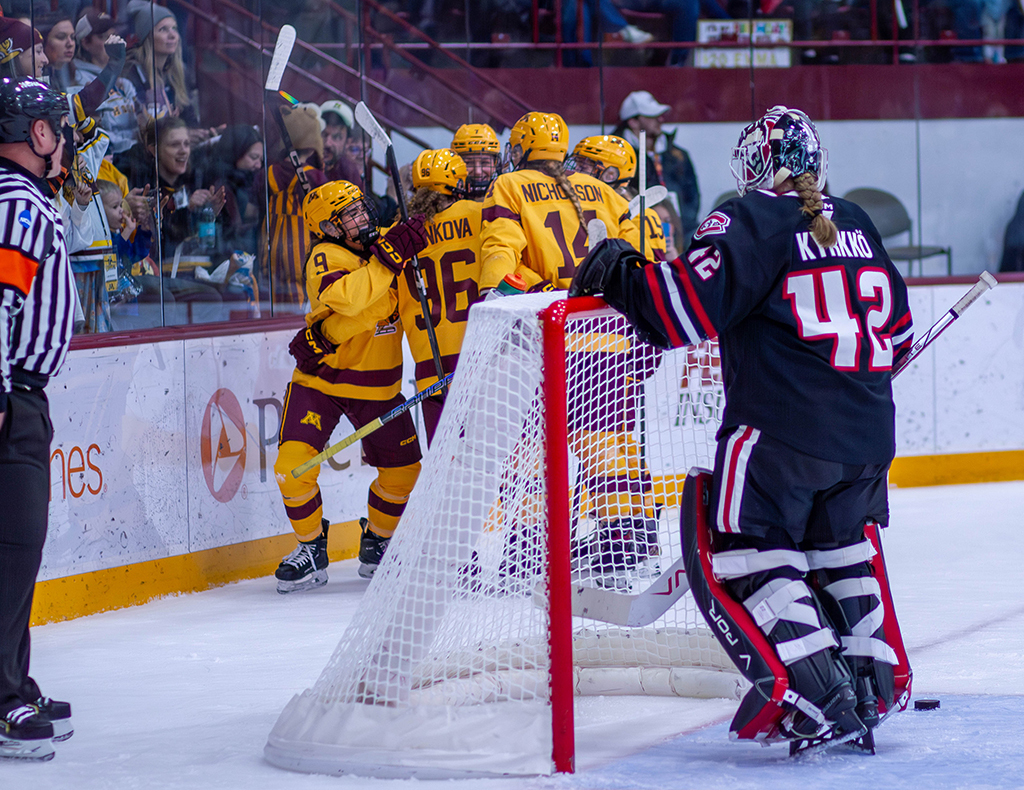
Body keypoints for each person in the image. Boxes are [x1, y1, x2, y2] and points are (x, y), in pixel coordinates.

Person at [571, 106, 915, 751]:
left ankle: (821, 696)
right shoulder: (859, 222)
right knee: (839, 548)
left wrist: (618, 271)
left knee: (748, 551)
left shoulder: (750, 216)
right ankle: (870, 685)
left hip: (778, 431)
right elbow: (897, 338)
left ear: (758, 164)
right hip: (868, 435)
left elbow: (680, 310)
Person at [273, 181, 427, 590]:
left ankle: (377, 540)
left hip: (378, 384)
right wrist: (388, 263)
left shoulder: (381, 251)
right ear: (330, 226)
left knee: (404, 474)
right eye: (350, 215)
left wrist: (328, 331)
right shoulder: (327, 255)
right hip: (321, 381)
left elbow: (379, 308)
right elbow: (357, 302)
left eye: (362, 209)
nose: (363, 219)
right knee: (291, 469)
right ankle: (310, 547)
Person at [0, 76, 76, 761]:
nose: (66, 137)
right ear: (40, 135)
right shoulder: (20, 201)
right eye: (58, 125)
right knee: (11, 552)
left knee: (15, 553)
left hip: (19, 393)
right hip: (11, 398)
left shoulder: (19, 197)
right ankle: (2, 701)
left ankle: (11, 681)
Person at [479, 110, 641, 293]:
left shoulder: (509, 184)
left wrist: (492, 288)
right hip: (600, 309)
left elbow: (502, 247)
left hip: (547, 307)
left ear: (520, 149)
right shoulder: (603, 189)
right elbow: (632, 253)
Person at [398, 148, 483, 443]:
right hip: (482, 358)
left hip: (431, 370)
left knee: (448, 469)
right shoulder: (481, 215)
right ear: (460, 185)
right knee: (498, 463)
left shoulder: (399, 234)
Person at [259, 103, 328, 308]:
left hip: (270, 244)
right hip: (302, 246)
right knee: (302, 289)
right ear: (313, 143)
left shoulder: (267, 173)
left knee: (272, 287)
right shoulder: (315, 177)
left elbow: (253, 209)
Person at [613, 90, 700, 247]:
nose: (660, 119)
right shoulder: (617, 157)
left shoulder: (678, 154)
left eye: (659, 115)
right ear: (633, 122)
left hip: (682, 228)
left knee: (699, 241)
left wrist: (682, 223)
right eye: (651, 116)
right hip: (640, 228)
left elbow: (692, 195)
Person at [70, 9, 140, 158]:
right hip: (109, 155)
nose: (111, 42)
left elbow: (138, 124)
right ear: (85, 43)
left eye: (113, 36)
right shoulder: (79, 79)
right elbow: (97, 130)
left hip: (132, 152)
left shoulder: (124, 82)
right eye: (103, 37)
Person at [450, 123, 502, 201]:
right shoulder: (443, 203)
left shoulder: (508, 200)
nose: (478, 172)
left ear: (495, 163)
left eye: (484, 163)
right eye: (469, 163)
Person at [319, 99, 362, 185]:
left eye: (337, 137)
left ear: (347, 142)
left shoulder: (350, 173)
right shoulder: (301, 166)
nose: (327, 143)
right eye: (324, 135)